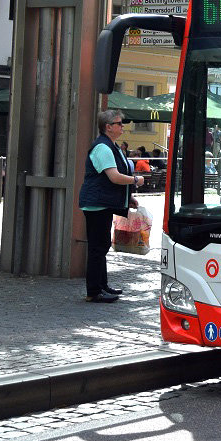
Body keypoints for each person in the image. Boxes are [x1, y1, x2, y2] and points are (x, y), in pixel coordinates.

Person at [78, 109, 143, 303]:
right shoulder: (103, 147)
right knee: (98, 247)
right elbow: (114, 177)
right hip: (96, 204)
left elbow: (111, 178)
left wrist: (127, 198)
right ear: (108, 127)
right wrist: (135, 180)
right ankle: (94, 291)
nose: (122, 126)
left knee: (102, 245)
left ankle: (102, 286)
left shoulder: (111, 146)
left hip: (102, 203)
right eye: (119, 124)